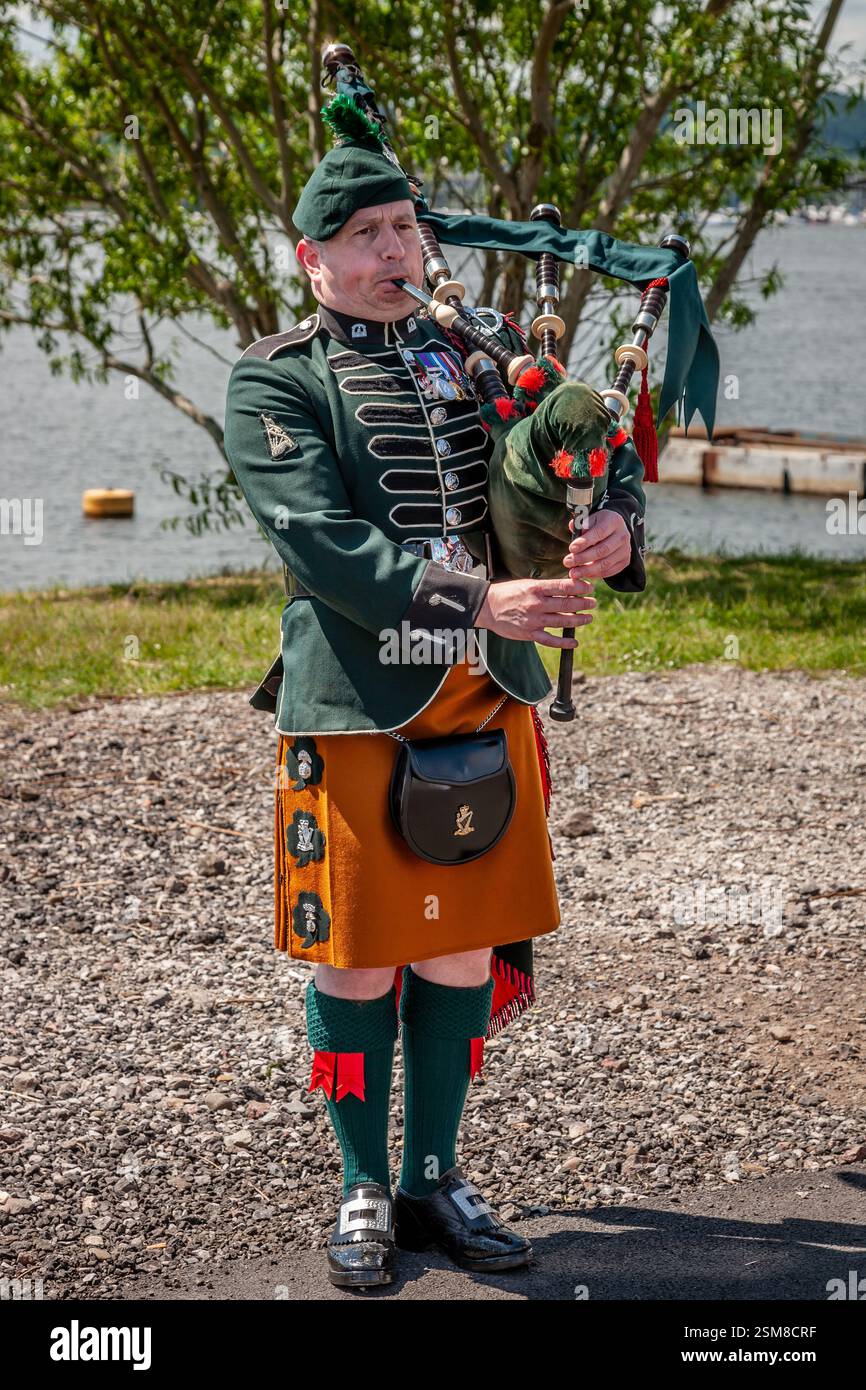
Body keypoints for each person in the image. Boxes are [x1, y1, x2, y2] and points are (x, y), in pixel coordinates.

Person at [222, 131, 645, 1289]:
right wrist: (475, 595)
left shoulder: (481, 350)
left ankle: (434, 1173)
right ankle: (360, 1183)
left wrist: (614, 528)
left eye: (405, 228)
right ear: (314, 261)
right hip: (357, 700)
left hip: (484, 687)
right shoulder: (277, 377)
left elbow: (581, 444)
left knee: (457, 952)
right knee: (357, 961)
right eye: (364, 237)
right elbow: (317, 538)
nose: (393, 250)